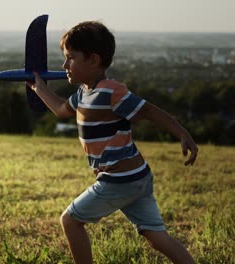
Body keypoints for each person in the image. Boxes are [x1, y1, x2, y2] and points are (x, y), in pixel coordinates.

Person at [27, 20, 198, 264]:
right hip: (138, 177)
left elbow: (148, 110)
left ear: (94, 60)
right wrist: (38, 88)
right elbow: (62, 110)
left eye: (71, 58)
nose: (65, 65)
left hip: (120, 181)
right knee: (157, 238)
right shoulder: (84, 92)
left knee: (70, 221)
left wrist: (182, 133)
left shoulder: (111, 91)